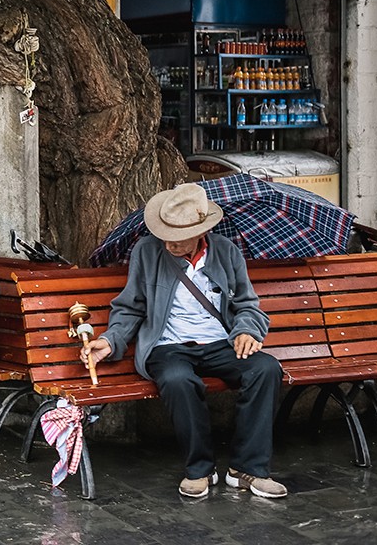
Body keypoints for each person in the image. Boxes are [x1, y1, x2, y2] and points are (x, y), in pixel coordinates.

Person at [81, 183, 287, 499]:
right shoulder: (147, 252)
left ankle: (247, 468)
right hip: (168, 345)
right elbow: (131, 306)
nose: (169, 243)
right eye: (166, 234)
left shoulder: (226, 252)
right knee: (177, 379)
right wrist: (111, 341)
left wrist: (246, 330)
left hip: (220, 342)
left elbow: (247, 304)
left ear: (200, 231)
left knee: (266, 369)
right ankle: (200, 469)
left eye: (177, 238)